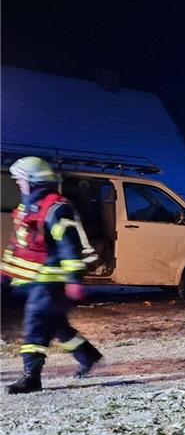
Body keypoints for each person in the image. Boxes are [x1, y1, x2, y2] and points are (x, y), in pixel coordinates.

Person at [1, 156, 102, 394]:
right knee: (55, 324)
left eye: (21, 180)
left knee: (36, 322)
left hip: (52, 281)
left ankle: (31, 378)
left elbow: (69, 246)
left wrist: (73, 280)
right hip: (34, 279)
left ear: (33, 182)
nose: (18, 184)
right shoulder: (27, 208)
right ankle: (87, 355)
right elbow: (19, 245)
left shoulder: (56, 209)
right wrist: (5, 274)